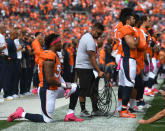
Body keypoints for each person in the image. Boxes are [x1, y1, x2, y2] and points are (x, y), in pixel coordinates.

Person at [7, 33, 83, 123]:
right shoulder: (48, 55)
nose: (62, 44)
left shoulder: (54, 55)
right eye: (60, 42)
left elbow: (58, 76)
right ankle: (21, 114)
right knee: (47, 120)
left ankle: (70, 114)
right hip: (47, 90)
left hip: (55, 88)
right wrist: (65, 85)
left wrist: (67, 86)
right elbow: (49, 79)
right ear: (55, 43)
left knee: (75, 87)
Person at [75, 22, 105, 117]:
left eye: (101, 34)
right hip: (84, 67)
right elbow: (92, 57)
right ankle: (83, 110)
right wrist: (99, 71)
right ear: (93, 30)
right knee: (83, 89)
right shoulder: (89, 39)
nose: (99, 36)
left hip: (86, 67)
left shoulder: (88, 37)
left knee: (94, 89)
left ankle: (95, 109)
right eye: (98, 33)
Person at [117, 8, 139, 118]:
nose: (134, 19)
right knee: (129, 84)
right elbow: (132, 45)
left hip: (128, 59)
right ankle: (123, 110)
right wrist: (138, 38)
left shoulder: (129, 28)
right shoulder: (126, 28)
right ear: (127, 19)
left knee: (125, 84)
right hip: (128, 59)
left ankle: (122, 108)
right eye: (132, 18)